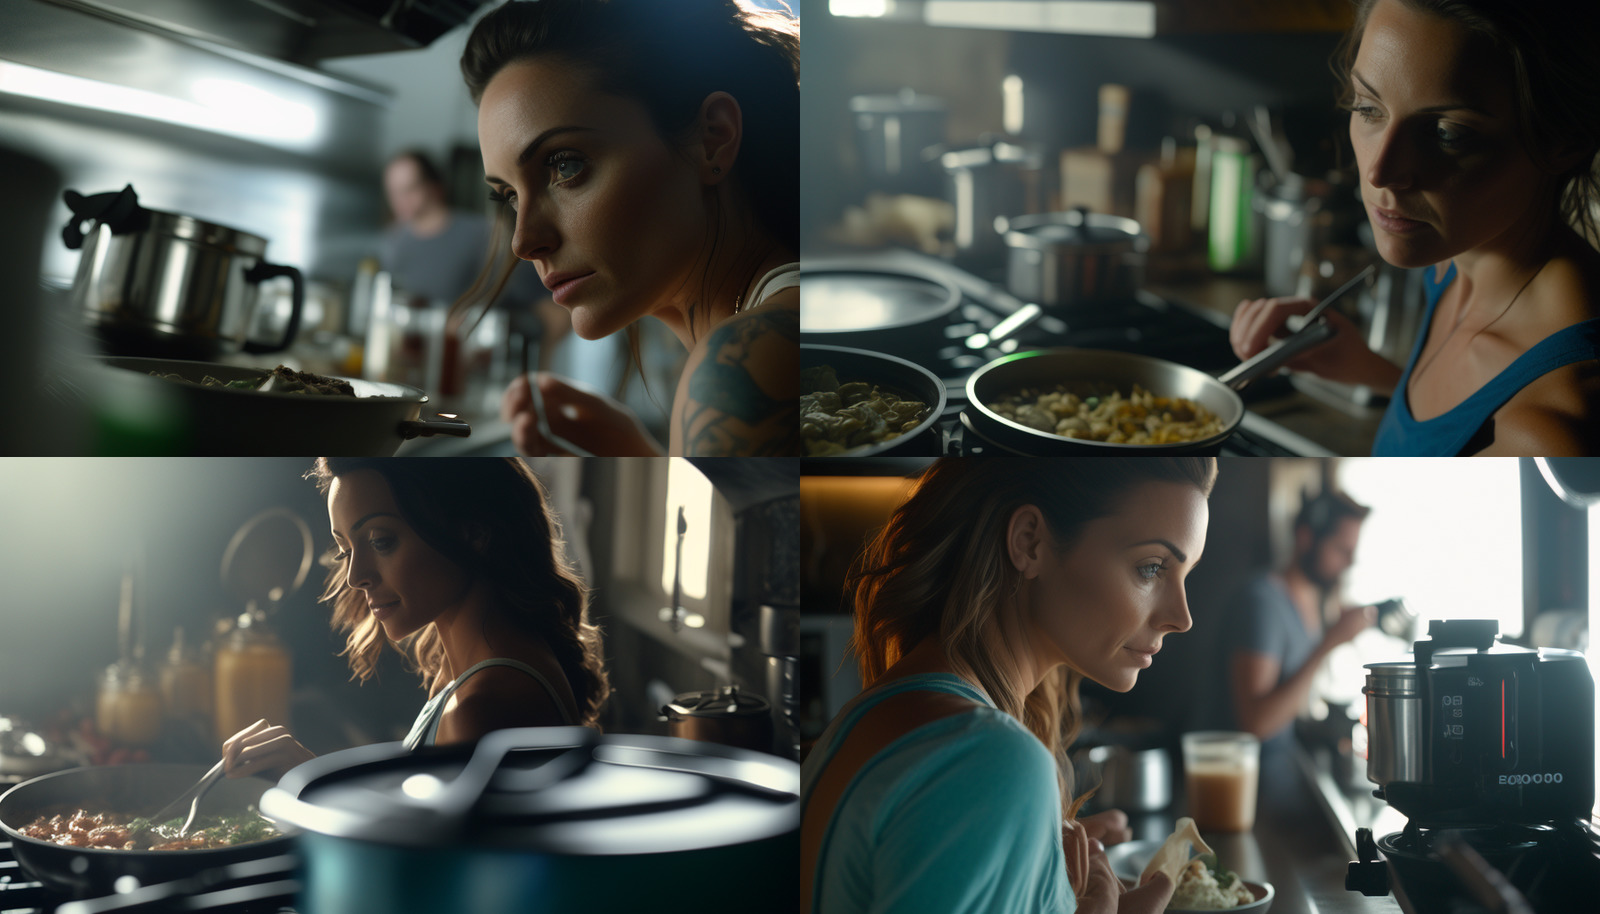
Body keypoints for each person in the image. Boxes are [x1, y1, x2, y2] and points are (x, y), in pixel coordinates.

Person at [801, 458, 1219, 914]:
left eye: (1187, 574)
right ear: (1030, 542)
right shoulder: (989, 761)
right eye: (1152, 568)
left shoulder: (857, 721)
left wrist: (1032, 869)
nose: (1182, 617)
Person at [1229, 0, 1600, 455]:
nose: (1379, 173)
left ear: (1566, 139)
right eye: (1368, 109)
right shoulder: (1452, 263)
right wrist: (1369, 370)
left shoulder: (1545, 434)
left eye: (1446, 133)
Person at [457, 0, 800, 457]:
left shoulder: (743, 362)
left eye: (565, 165)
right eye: (509, 196)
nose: (524, 242)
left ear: (713, 139)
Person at [221, 457, 609, 781]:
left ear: (473, 534)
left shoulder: (482, 709)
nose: (356, 577)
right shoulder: (468, 670)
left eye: (380, 541)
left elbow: (431, 871)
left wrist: (311, 781)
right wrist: (309, 770)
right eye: (344, 550)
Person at [1222, 489, 1374, 762]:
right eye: (1341, 549)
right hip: (1241, 775)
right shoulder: (1263, 602)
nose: (1349, 563)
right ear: (1306, 538)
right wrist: (1329, 642)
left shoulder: (1313, 598)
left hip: (1280, 763)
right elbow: (1256, 724)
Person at [381, 150, 552, 324]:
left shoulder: (481, 234)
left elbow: (546, 306)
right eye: (394, 192)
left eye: (409, 189)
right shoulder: (394, 243)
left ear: (434, 186)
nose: (401, 200)